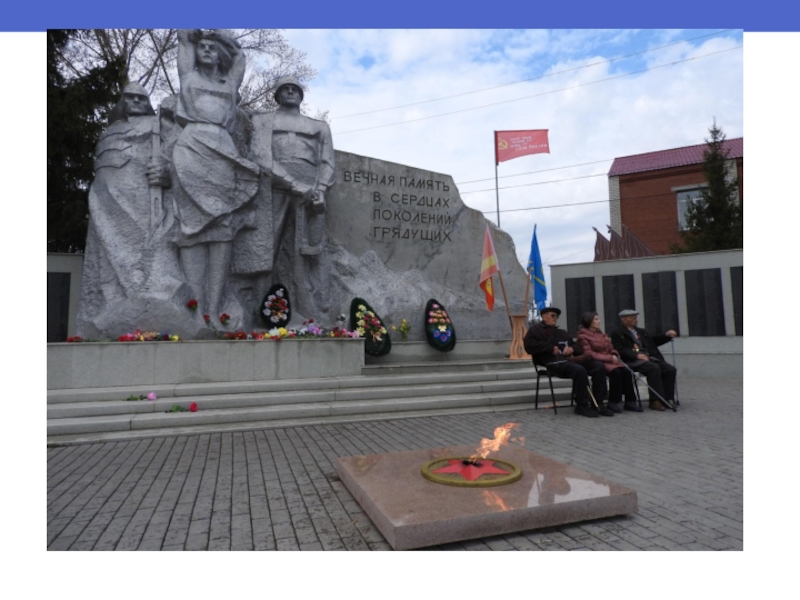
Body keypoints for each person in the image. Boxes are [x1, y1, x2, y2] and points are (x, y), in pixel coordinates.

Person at [77, 82, 186, 338]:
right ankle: (115, 307)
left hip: (142, 201)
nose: (136, 101)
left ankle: (145, 300)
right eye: (130, 97)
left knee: (144, 252)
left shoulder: (158, 126)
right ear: (121, 101)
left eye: (141, 98)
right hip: (104, 200)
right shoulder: (109, 131)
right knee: (106, 260)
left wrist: (168, 173)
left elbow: (182, 156)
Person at [172, 29, 260, 328]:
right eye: (203, 47)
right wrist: (194, 37)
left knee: (222, 225)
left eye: (212, 48)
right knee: (191, 227)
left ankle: (215, 309)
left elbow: (239, 56)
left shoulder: (229, 83)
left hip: (222, 148)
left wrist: (218, 36)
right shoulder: (188, 77)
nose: (207, 50)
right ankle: (196, 310)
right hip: (191, 147)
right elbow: (184, 38)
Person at [523, 307, 614, 418]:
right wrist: (550, 348)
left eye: (557, 316)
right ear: (544, 316)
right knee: (579, 370)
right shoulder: (536, 330)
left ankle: (598, 403)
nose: (555, 318)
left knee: (598, 366)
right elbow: (529, 346)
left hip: (569, 360)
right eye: (553, 316)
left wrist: (571, 349)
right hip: (553, 362)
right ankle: (582, 405)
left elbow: (577, 346)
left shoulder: (562, 332)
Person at [610, 309, 678, 411]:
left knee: (670, 369)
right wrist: (636, 355)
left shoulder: (641, 331)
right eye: (632, 318)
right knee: (653, 368)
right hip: (633, 360)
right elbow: (620, 349)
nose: (636, 320)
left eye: (635, 317)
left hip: (649, 357)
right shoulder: (618, 333)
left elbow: (653, 341)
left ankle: (667, 398)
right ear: (624, 320)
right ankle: (655, 400)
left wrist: (666, 335)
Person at [576, 312, 642, 413]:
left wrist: (614, 353)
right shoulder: (583, 336)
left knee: (626, 371)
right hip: (597, 361)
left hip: (610, 359)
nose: (599, 321)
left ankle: (630, 401)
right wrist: (609, 358)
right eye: (596, 319)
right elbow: (589, 353)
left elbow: (611, 347)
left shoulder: (601, 334)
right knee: (616, 372)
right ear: (589, 322)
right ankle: (613, 402)